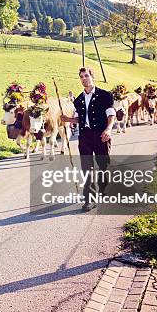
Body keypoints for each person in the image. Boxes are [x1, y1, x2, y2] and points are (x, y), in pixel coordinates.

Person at [61, 67, 115, 211]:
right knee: (87, 167)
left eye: (86, 76)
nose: (84, 79)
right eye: (81, 77)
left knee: (103, 165)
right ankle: (89, 199)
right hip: (84, 137)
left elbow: (111, 114)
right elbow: (80, 118)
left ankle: (103, 190)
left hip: (101, 135)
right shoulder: (78, 100)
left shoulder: (105, 95)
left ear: (92, 77)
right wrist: (68, 119)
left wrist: (108, 129)